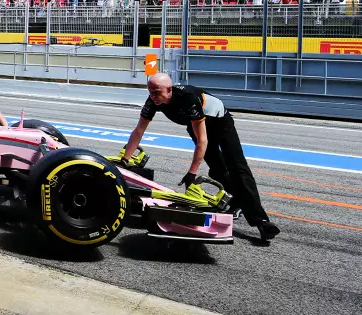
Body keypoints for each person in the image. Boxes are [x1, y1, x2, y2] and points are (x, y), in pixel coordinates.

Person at [119, 73, 280, 241]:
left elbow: (202, 140)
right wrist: (125, 160)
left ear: (169, 89)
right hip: (195, 124)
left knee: (238, 168)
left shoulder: (187, 98)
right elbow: (139, 131)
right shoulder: (152, 101)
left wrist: (192, 174)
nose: (153, 97)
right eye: (150, 92)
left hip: (220, 122)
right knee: (217, 169)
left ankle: (261, 221)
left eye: (157, 92)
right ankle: (236, 200)